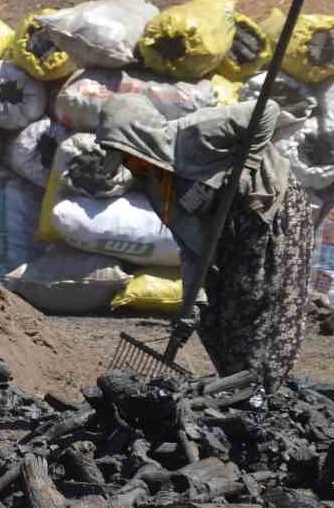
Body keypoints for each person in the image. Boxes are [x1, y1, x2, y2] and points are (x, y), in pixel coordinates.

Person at [95, 93, 313, 393]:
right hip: (228, 232)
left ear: (139, 138)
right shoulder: (157, 185)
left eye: (126, 155)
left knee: (256, 301)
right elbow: (190, 244)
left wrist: (246, 166)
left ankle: (262, 389)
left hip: (267, 213)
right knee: (212, 317)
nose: (130, 166)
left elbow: (268, 111)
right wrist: (192, 301)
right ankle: (236, 384)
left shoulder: (191, 133)